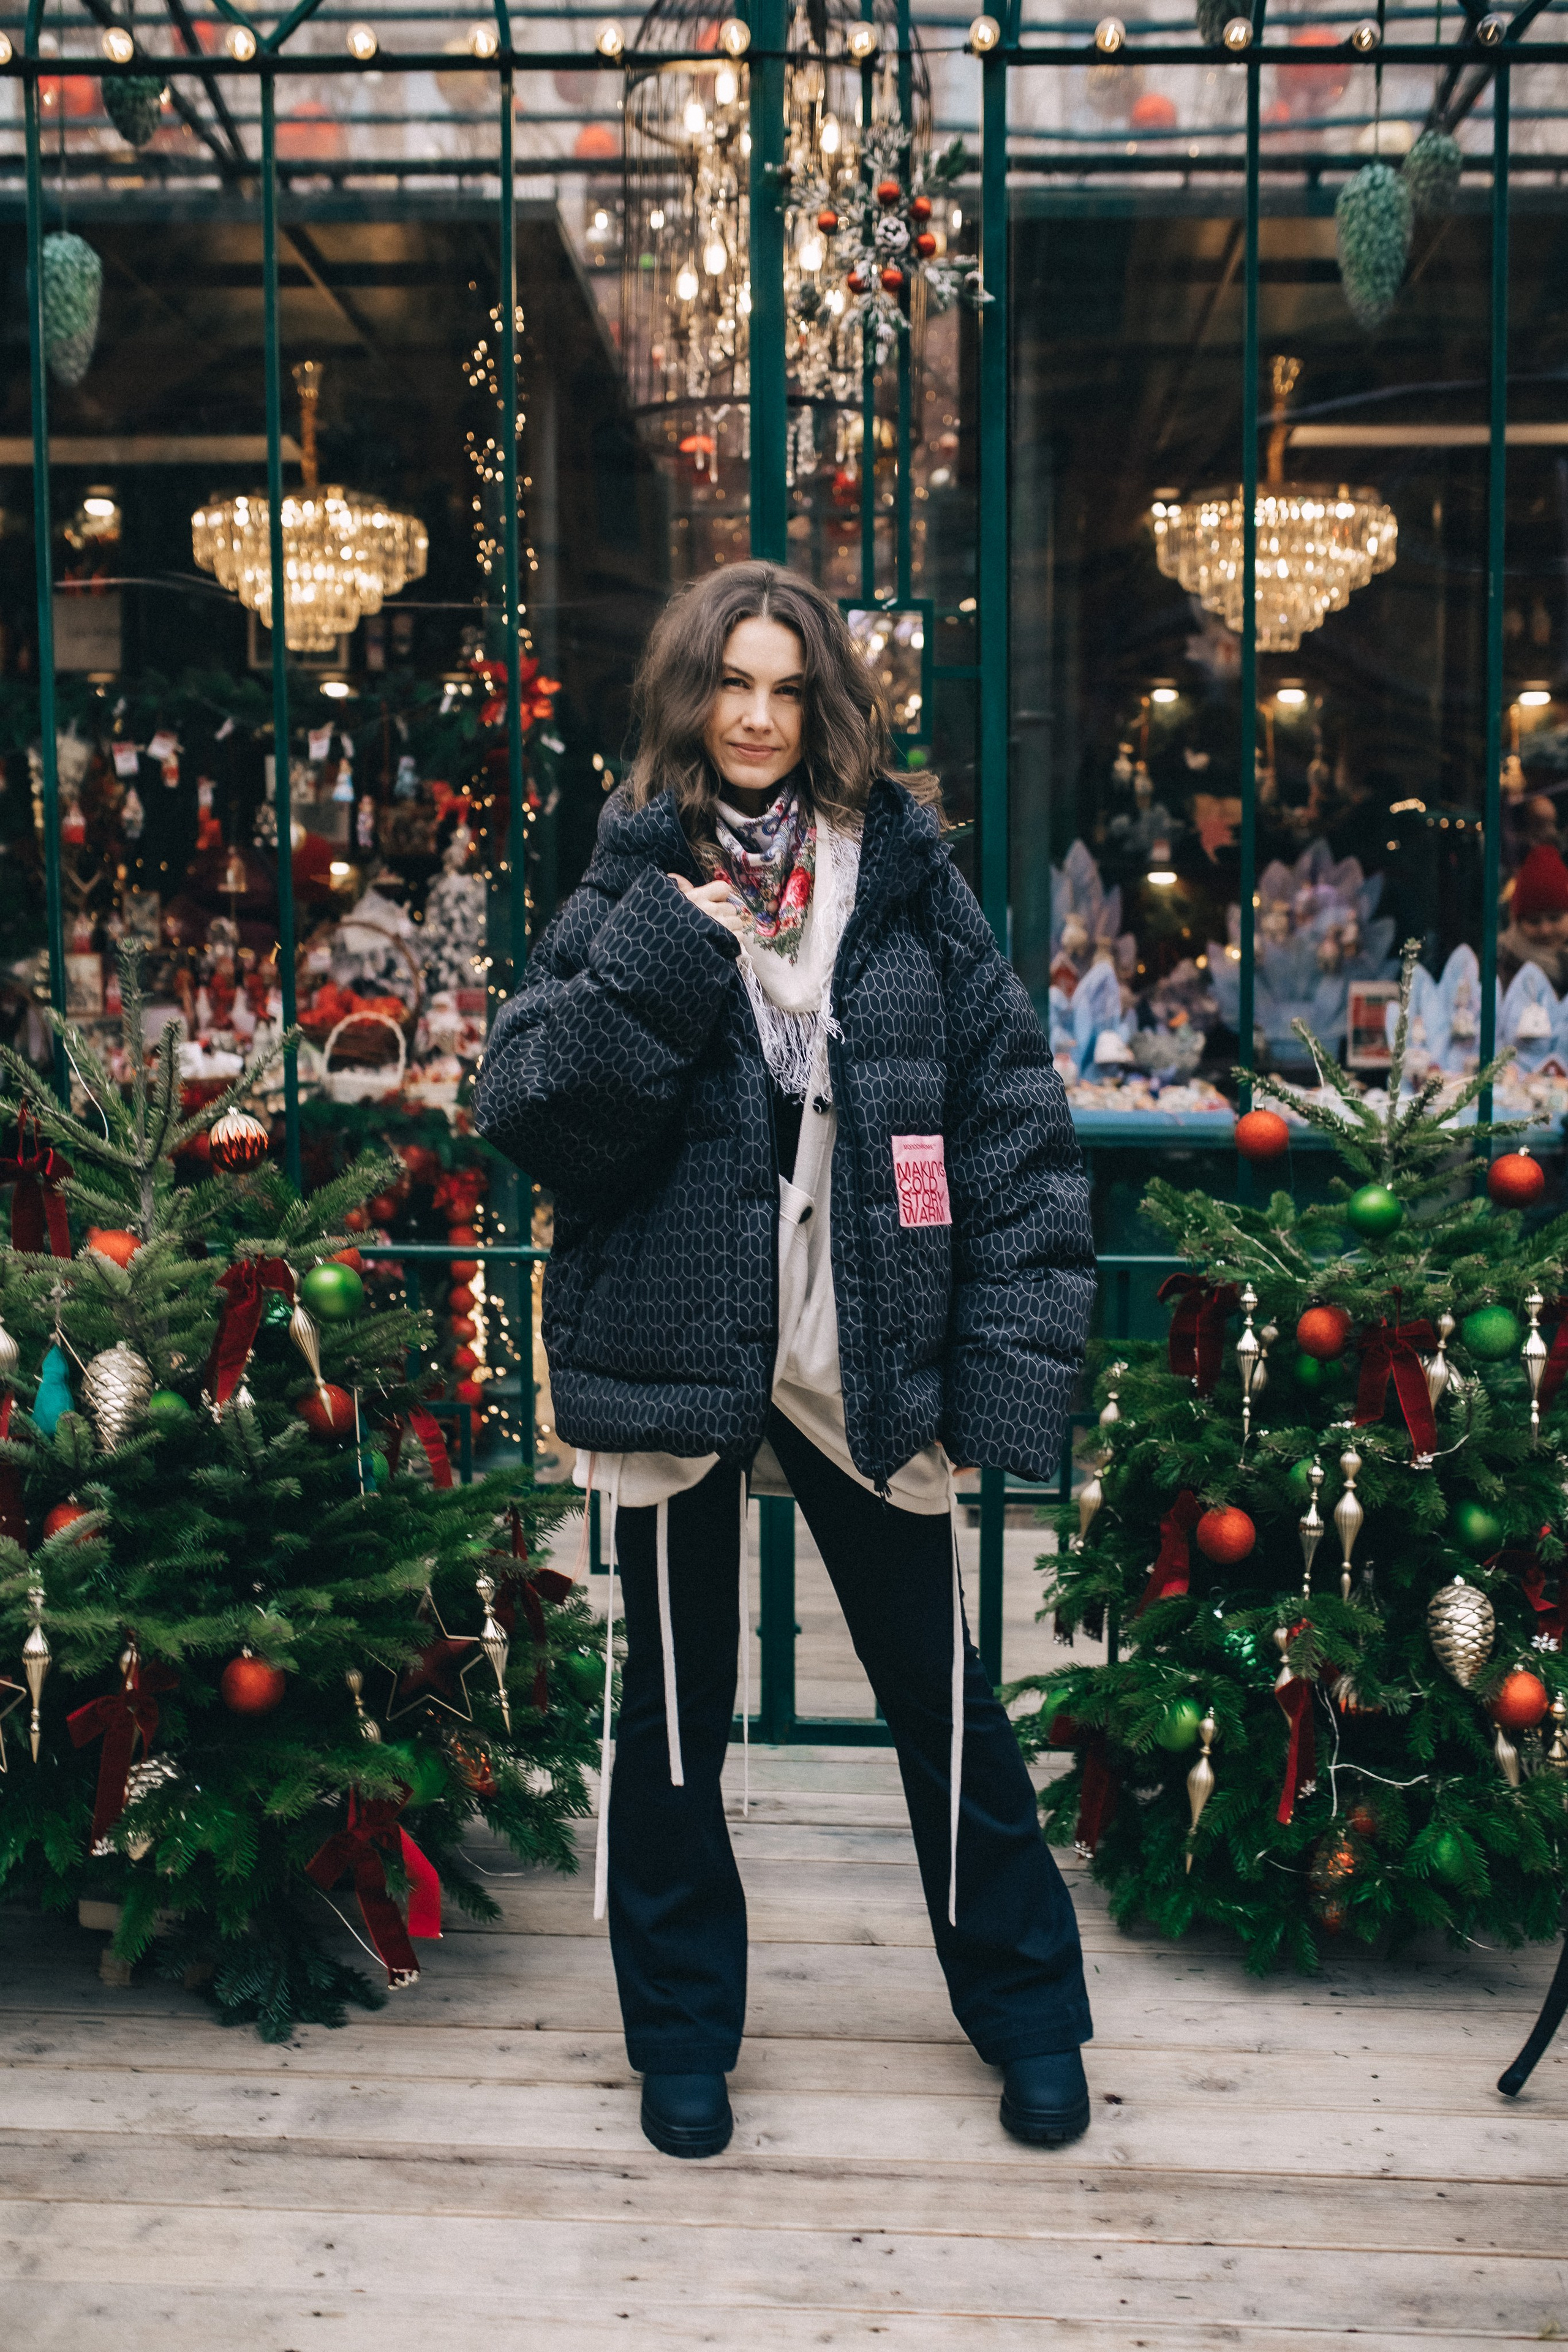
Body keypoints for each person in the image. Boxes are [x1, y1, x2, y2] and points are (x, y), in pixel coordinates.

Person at [475, 563, 1096, 2160]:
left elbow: (1015, 1125)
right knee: (673, 1725)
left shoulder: (904, 888)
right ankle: (683, 2033)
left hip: (856, 1356)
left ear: (824, 709)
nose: (756, 717)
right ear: (691, 699)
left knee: (939, 1699)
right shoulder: (629, 885)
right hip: (673, 1358)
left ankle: (1028, 2012)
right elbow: (539, 1113)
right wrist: (676, 957)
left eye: (786, 688)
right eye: (731, 685)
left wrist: (1008, 1372)